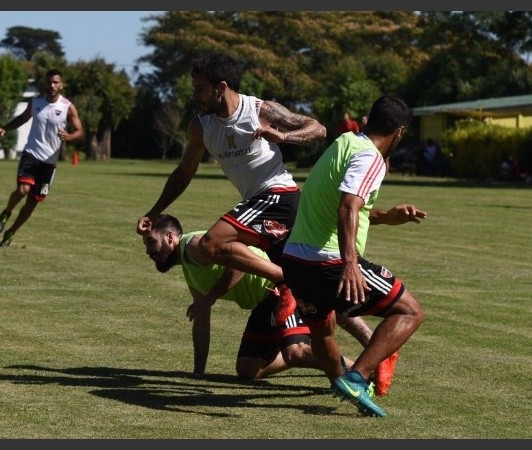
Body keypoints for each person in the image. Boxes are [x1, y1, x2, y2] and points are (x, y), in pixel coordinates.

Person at [136, 53, 327, 326]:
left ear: (221, 87)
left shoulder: (259, 110)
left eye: (200, 89)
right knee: (314, 288)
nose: (195, 96)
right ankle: (373, 353)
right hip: (260, 207)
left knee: (212, 242)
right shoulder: (201, 127)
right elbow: (183, 174)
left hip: (278, 195)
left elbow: (317, 129)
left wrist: (284, 136)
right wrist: (155, 212)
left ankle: (282, 279)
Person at [281, 94, 426, 418]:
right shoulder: (370, 157)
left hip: (294, 260)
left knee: (321, 327)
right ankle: (358, 378)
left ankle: (340, 383)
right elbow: (348, 205)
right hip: (329, 261)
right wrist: (350, 264)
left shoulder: (343, 143)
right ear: (399, 132)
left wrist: (386, 216)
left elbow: (345, 205)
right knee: (410, 311)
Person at [143, 214, 401, 393]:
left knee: (296, 350)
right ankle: (357, 354)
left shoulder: (195, 245)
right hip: (263, 300)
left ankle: (357, 369)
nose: (148, 251)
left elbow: (237, 265)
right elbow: (201, 320)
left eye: (151, 242)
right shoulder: (189, 265)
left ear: (169, 238)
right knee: (248, 370)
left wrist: (210, 298)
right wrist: (198, 372)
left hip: (279, 286)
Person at [0, 68, 84, 246]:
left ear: (61, 85)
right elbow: (22, 118)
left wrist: (70, 136)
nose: (52, 85)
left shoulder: (68, 107)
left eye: (55, 82)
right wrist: (5, 128)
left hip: (49, 163)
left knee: (32, 202)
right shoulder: (36, 102)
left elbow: (80, 131)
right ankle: (6, 212)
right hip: (31, 153)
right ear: (45, 83)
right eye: (49, 82)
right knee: (22, 190)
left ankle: (12, 232)